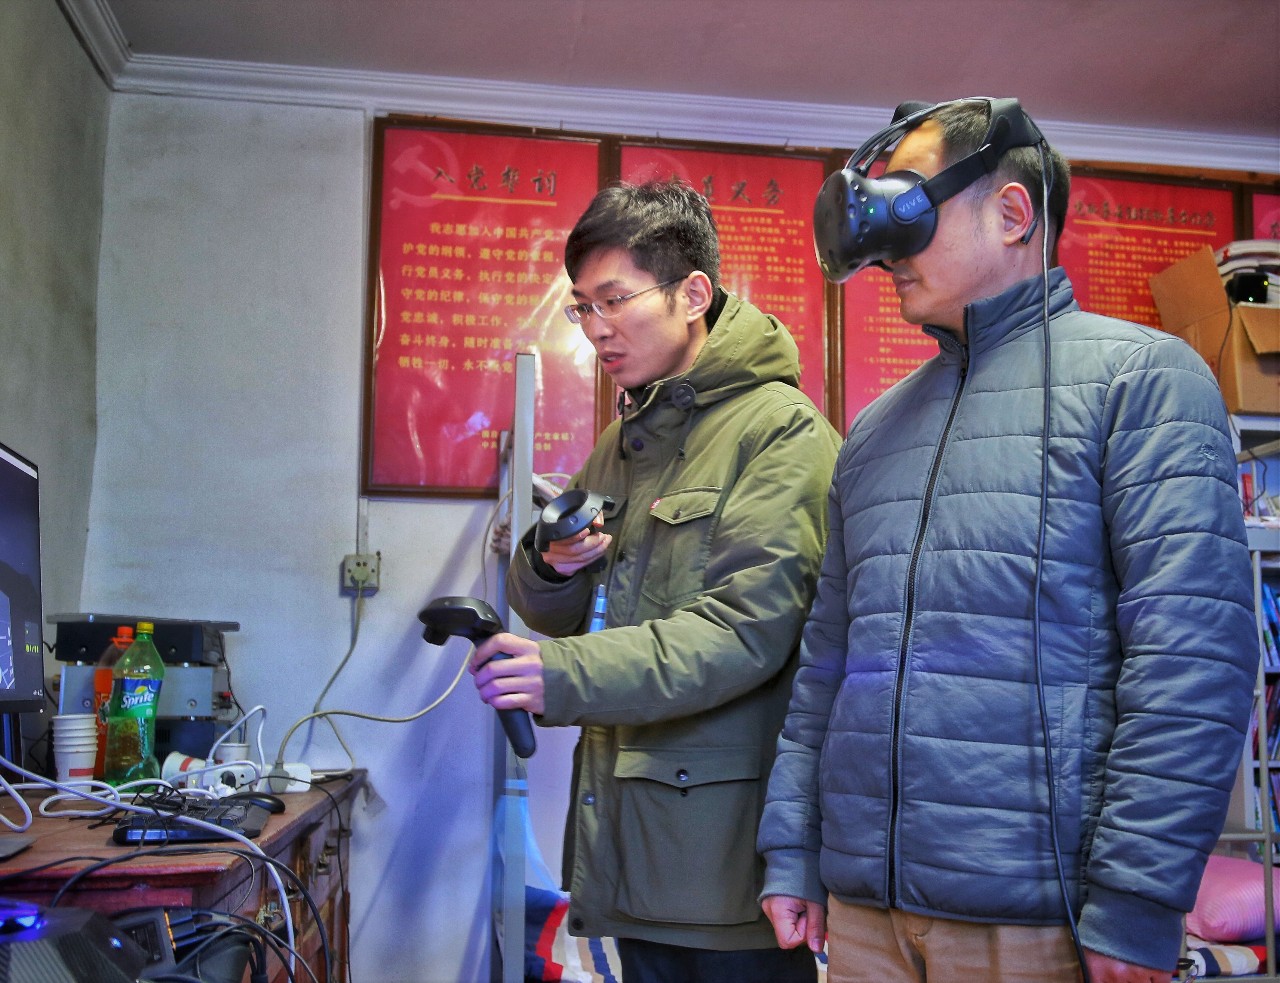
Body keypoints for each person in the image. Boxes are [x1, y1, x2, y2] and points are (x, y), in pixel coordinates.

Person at [757, 98, 1258, 983]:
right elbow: (827, 667)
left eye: (909, 207)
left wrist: (1136, 901)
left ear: (1014, 213)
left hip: (1041, 921)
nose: (886, 253)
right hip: (865, 917)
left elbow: (1191, 656)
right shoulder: (873, 432)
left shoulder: (1141, 381)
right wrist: (795, 850)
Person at [471, 178, 842, 983]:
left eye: (614, 300)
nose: (596, 328)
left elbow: (744, 631)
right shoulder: (626, 441)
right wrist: (552, 565)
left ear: (693, 295)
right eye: (582, 307)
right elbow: (552, 607)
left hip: (724, 865)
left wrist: (560, 674)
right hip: (632, 844)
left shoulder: (780, 433)